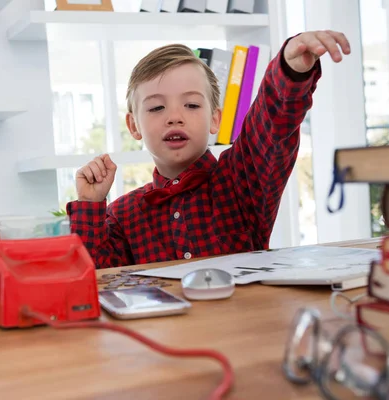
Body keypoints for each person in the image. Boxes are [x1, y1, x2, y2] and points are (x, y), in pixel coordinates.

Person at [67, 30, 351, 269]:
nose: (174, 116)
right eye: (156, 107)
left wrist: (290, 71)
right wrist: (90, 204)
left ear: (215, 119)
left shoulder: (242, 179)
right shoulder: (122, 215)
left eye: (191, 105)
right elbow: (96, 280)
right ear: (133, 126)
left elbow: (271, 124)